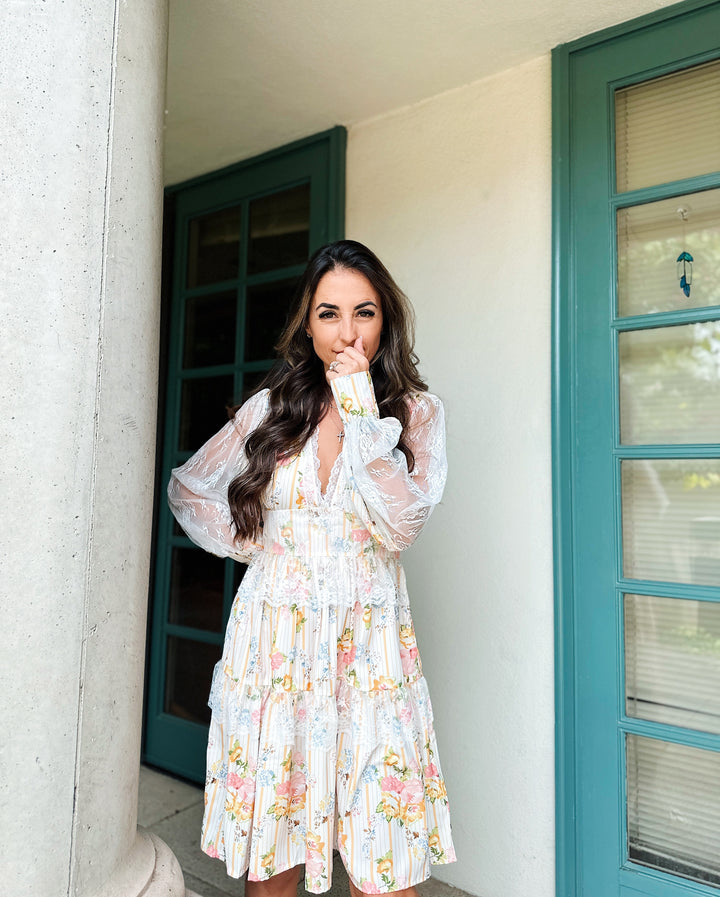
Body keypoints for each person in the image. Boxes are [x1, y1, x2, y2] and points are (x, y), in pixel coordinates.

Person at [168, 240, 455, 897]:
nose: (347, 331)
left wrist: (358, 404)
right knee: (274, 857)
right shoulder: (271, 410)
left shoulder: (416, 414)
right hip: (276, 656)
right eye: (329, 313)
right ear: (308, 322)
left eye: (364, 312)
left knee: (385, 863)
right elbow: (190, 489)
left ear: (386, 321)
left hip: (372, 661)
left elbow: (400, 525)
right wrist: (262, 548)